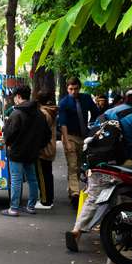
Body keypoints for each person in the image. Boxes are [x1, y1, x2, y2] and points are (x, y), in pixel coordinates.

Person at [65, 88, 132, 252]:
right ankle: (122, 230)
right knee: (128, 193)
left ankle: (77, 230)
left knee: (93, 196)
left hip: (95, 159)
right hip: (116, 163)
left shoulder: (111, 111)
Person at [1, 85, 51, 217]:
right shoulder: (40, 113)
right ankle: (31, 206)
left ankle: (14, 208)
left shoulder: (16, 113)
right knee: (32, 179)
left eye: (14, 98)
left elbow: (8, 134)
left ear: (18, 97)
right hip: (32, 152)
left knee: (16, 179)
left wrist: (9, 144)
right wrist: (38, 146)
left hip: (16, 152)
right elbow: (47, 135)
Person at [58, 77, 99, 208]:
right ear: (67, 88)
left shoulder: (86, 98)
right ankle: (75, 194)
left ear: (79, 88)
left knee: (80, 165)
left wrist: (92, 127)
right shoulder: (64, 103)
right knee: (72, 165)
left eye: (75, 89)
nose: (73, 91)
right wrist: (66, 141)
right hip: (70, 136)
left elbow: (95, 112)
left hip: (84, 136)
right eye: (71, 89)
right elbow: (62, 124)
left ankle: (72, 190)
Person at [35, 91, 58, 209]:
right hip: (50, 147)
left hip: (44, 149)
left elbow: (41, 133)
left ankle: (45, 201)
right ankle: (49, 199)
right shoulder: (51, 110)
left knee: (43, 176)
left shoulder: (43, 113)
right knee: (48, 174)